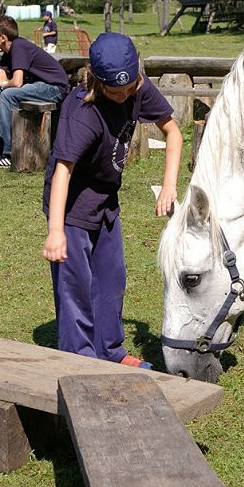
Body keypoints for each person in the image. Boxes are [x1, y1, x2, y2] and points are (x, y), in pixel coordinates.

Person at [42, 32, 182, 369]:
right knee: (76, 285)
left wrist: (169, 185)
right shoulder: (82, 112)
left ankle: (110, 351)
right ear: (96, 80)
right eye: (113, 92)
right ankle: (82, 360)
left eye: (128, 89)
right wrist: (55, 231)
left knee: (111, 278)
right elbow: (62, 170)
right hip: (71, 206)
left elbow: (173, 131)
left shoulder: (138, 86)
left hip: (105, 199)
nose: (123, 97)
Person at [0, 15, 70, 168]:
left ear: (3, 38)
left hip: (53, 87)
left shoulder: (19, 47)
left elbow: (17, 82)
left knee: (7, 95)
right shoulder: (8, 52)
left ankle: (8, 153)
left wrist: (6, 84)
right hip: (37, 86)